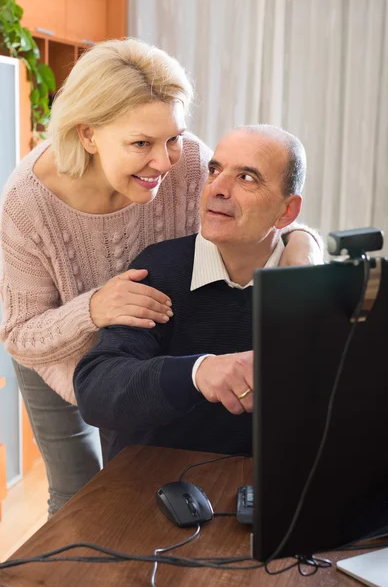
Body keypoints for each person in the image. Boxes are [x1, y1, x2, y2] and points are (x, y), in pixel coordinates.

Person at [0, 38, 321, 517]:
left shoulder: (187, 161)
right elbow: (18, 331)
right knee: (76, 491)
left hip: (143, 331)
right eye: (141, 144)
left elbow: (254, 208)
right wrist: (93, 308)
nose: (166, 161)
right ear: (89, 135)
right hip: (53, 342)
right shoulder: (26, 204)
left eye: (173, 137)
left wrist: (305, 246)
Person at [73, 124, 309, 459]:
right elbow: (96, 391)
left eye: (247, 178)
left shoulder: (313, 286)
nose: (218, 188)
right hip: (154, 485)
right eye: (215, 170)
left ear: (287, 211)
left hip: (267, 487)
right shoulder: (157, 270)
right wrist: (198, 372)